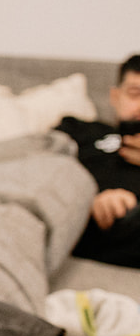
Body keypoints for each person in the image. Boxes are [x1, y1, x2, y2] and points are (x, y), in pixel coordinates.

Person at [56, 56, 140, 268]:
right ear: (115, 96)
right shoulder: (82, 130)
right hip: (77, 218)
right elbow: (43, 163)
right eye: (135, 94)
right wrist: (88, 197)